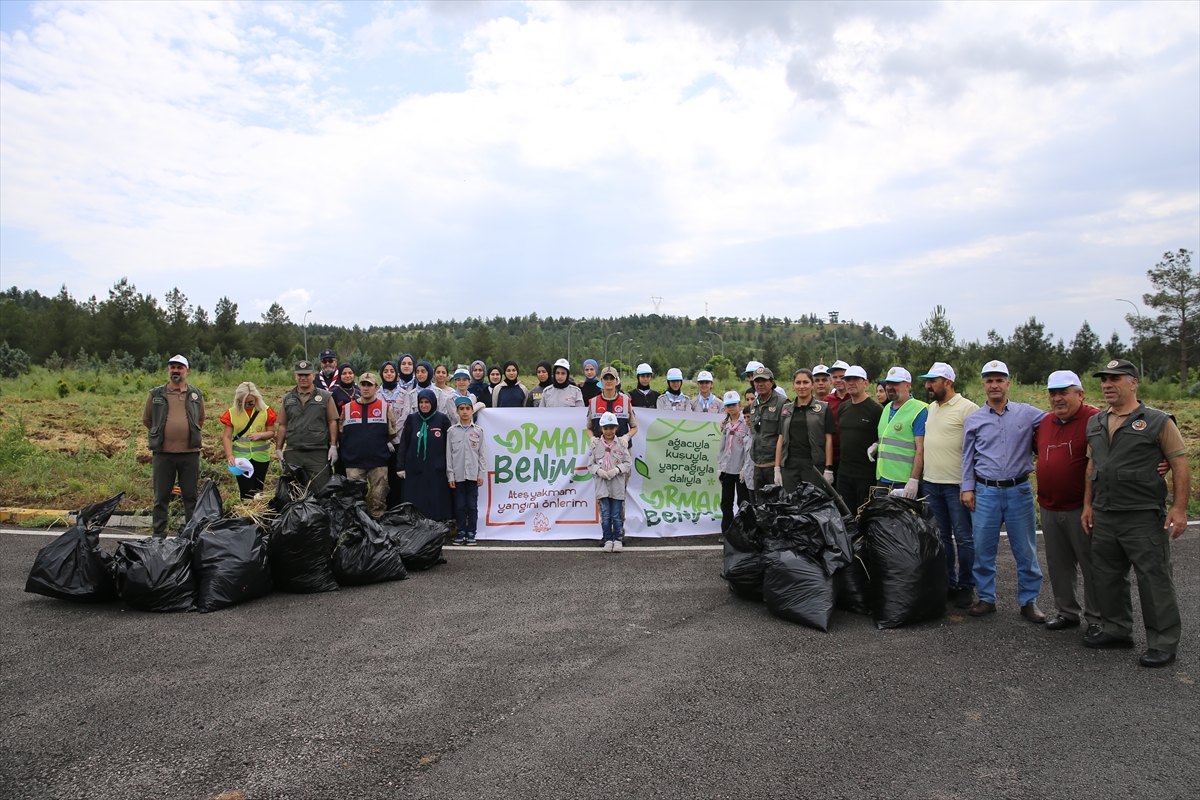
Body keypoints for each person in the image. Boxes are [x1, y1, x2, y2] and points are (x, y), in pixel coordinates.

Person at [1082, 359, 1190, 668]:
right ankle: (1117, 630)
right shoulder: (1097, 422)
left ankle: (1163, 642)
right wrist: (1088, 505)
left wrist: (1179, 508)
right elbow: (1093, 467)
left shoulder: (1157, 421)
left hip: (1141, 515)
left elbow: (1180, 465)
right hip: (1104, 513)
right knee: (1107, 576)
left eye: (1115, 379)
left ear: (1133, 382)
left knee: (1154, 580)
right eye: (1104, 379)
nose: (1107, 384)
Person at [960, 360, 1046, 622]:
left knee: (1026, 551)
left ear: (1008, 384)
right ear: (983, 385)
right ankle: (987, 598)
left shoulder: (1028, 413)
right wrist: (967, 488)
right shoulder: (974, 419)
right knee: (983, 549)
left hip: (1018, 491)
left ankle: (1029, 602)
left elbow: (1058, 421)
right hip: (985, 492)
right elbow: (967, 457)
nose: (994, 385)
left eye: (999, 380)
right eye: (989, 380)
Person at [1035, 370, 1102, 635]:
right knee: (1059, 564)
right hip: (1050, 506)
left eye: (1064, 392)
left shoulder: (1095, 419)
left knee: (1092, 564)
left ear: (1080, 394)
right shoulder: (1046, 423)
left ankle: (1097, 618)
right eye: (1053, 393)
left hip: (1081, 507)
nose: (1058, 398)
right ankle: (1067, 612)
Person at [917, 362, 980, 608]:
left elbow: (976, 450)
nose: (927, 385)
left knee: (964, 537)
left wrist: (969, 485)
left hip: (956, 486)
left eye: (932, 381)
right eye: (927, 381)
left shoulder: (968, 409)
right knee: (941, 538)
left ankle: (966, 585)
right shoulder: (931, 408)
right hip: (932, 484)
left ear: (948, 382)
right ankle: (949, 583)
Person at [143, 354, 206, 534]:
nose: (176, 371)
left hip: (190, 452)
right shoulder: (156, 394)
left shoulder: (196, 394)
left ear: (187, 371)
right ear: (168, 370)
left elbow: (201, 419)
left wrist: (186, 431)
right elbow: (147, 420)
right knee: (161, 496)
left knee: (190, 496)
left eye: (180, 367)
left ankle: (191, 534)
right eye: (173, 367)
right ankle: (159, 534)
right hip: (163, 453)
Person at [338, 372, 398, 519]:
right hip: (354, 461)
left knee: (378, 498)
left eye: (369, 385)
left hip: (378, 461)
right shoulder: (347, 408)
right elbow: (341, 432)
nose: (366, 388)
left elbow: (392, 433)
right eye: (363, 384)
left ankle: (377, 525)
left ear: (376, 388)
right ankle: (356, 525)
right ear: (359, 386)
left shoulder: (385, 408)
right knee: (355, 498)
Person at [275, 359, 339, 493]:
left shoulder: (325, 397)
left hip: (317, 453)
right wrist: (279, 449)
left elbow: (332, 421)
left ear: (313, 376)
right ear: (295, 376)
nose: (303, 378)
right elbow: (283, 425)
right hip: (293, 452)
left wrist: (333, 446)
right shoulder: (288, 398)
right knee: (292, 490)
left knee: (320, 490)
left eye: (307, 375)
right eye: (300, 375)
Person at [397, 388, 453, 521]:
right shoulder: (412, 419)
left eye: (427, 402)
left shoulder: (442, 419)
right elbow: (404, 443)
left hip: (437, 468)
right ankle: (416, 524)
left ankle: (439, 522)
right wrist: (400, 466)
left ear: (433, 403)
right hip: (415, 467)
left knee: (437, 496)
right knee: (417, 496)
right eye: (421, 402)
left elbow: (450, 445)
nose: (424, 405)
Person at [778, 368, 836, 497]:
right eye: (798, 383)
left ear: (812, 385)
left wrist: (828, 468)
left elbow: (829, 440)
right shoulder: (786, 409)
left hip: (813, 466)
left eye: (806, 382)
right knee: (791, 505)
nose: (802, 386)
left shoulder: (823, 408)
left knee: (813, 505)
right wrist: (777, 468)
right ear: (793, 385)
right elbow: (781, 439)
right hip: (790, 465)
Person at [872, 367, 928, 500]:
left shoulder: (919, 410)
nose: (890, 387)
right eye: (889, 383)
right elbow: (890, 437)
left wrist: (913, 480)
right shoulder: (887, 408)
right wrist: (876, 444)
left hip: (903, 482)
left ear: (908, 386)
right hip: (882, 478)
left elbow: (921, 447)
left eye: (895, 384)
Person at [836, 366, 883, 515]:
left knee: (865, 516)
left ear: (866, 383)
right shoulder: (843, 408)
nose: (851, 383)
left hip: (865, 474)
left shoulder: (876, 409)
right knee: (846, 515)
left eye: (855, 379)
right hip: (844, 473)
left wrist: (876, 444)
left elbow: (882, 437)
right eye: (848, 379)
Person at [220, 381, 277, 500]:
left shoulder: (266, 411)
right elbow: (226, 437)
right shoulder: (232, 413)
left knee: (258, 491)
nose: (247, 405)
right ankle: (246, 514)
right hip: (241, 459)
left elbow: (272, 432)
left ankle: (258, 515)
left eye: (250, 403)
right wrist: (230, 455)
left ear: (256, 399)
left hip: (261, 457)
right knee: (246, 492)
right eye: (243, 403)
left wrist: (260, 435)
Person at [588, 411, 632, 553]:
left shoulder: (621, 444)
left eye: (611, 428)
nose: (608, 431)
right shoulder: (595, 445)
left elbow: (628, 463)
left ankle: (618, 539)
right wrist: (598, 471)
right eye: (605, 428)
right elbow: (590, 464)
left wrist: (617, 470)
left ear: (616, 429)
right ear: (601, 429)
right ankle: (607, 539)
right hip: (602, 486)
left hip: (617, 486)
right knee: (605, 515)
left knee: (616, 514)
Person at [447, 396, 487, 546]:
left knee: (472, 505)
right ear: (457, 411)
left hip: (472, 475)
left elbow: (482, 455)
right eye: (461, 409)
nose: (465, 412)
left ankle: (471, 532)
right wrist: (450, 475)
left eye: (467, 409)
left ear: (472, 411)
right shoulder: (451, 431)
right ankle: (461, 531)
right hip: (457, 476)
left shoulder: (478, 431)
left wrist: (481, 474)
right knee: (459, 505)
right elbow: (448, 455)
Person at [378, 360, 412, 509]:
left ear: (396, 374)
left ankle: (399, 507)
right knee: (382, 477)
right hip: (381, 442)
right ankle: (383, 508)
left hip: (399, 441)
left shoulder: (404, 394)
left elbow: (405, 416)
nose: (389, 374)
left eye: (392, 371)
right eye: (386, 371)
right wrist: (385, 437)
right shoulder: (377, 394)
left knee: (398, 476)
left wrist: (392, 434)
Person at [718, 390, 753, 538]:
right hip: (727, 468)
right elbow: (723, 447)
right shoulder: (726, 424)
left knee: (742, 502)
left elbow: (748, 448)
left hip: (740, 469)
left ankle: (742, 531)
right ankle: (726, 531)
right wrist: (720, 466)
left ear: (740, 404)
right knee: (726, 501)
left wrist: (745, 468)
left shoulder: (746, 423)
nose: (731, 408)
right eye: (728, 406)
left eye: (733, 405)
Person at [746, 366, 787, 491]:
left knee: (777, 504)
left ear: (772, 383)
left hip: (774, 465)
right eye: (757, 381)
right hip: (758, 464)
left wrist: (777, 468)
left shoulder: (782, 403)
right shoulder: (754, 404)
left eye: (764, 380)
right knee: (760, 505)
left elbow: (785, 436)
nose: (760, 384)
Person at [586, 366, 638, 443]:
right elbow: (589, 428)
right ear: (601, 382)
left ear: (617, 381)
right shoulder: (593, 402)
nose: (609, 381)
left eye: (612, 378)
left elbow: (634, 427)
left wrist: (626, 437)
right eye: (606, 378)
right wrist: (592, 438)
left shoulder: (625, 401)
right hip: (600, 449)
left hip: (622, 449)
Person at [822, 360, 850, 481]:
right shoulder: (827, 401)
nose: (838, 380)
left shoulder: (855, 399)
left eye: (841, 376)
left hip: (850, 458)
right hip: (831, 456)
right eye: (835, 377)